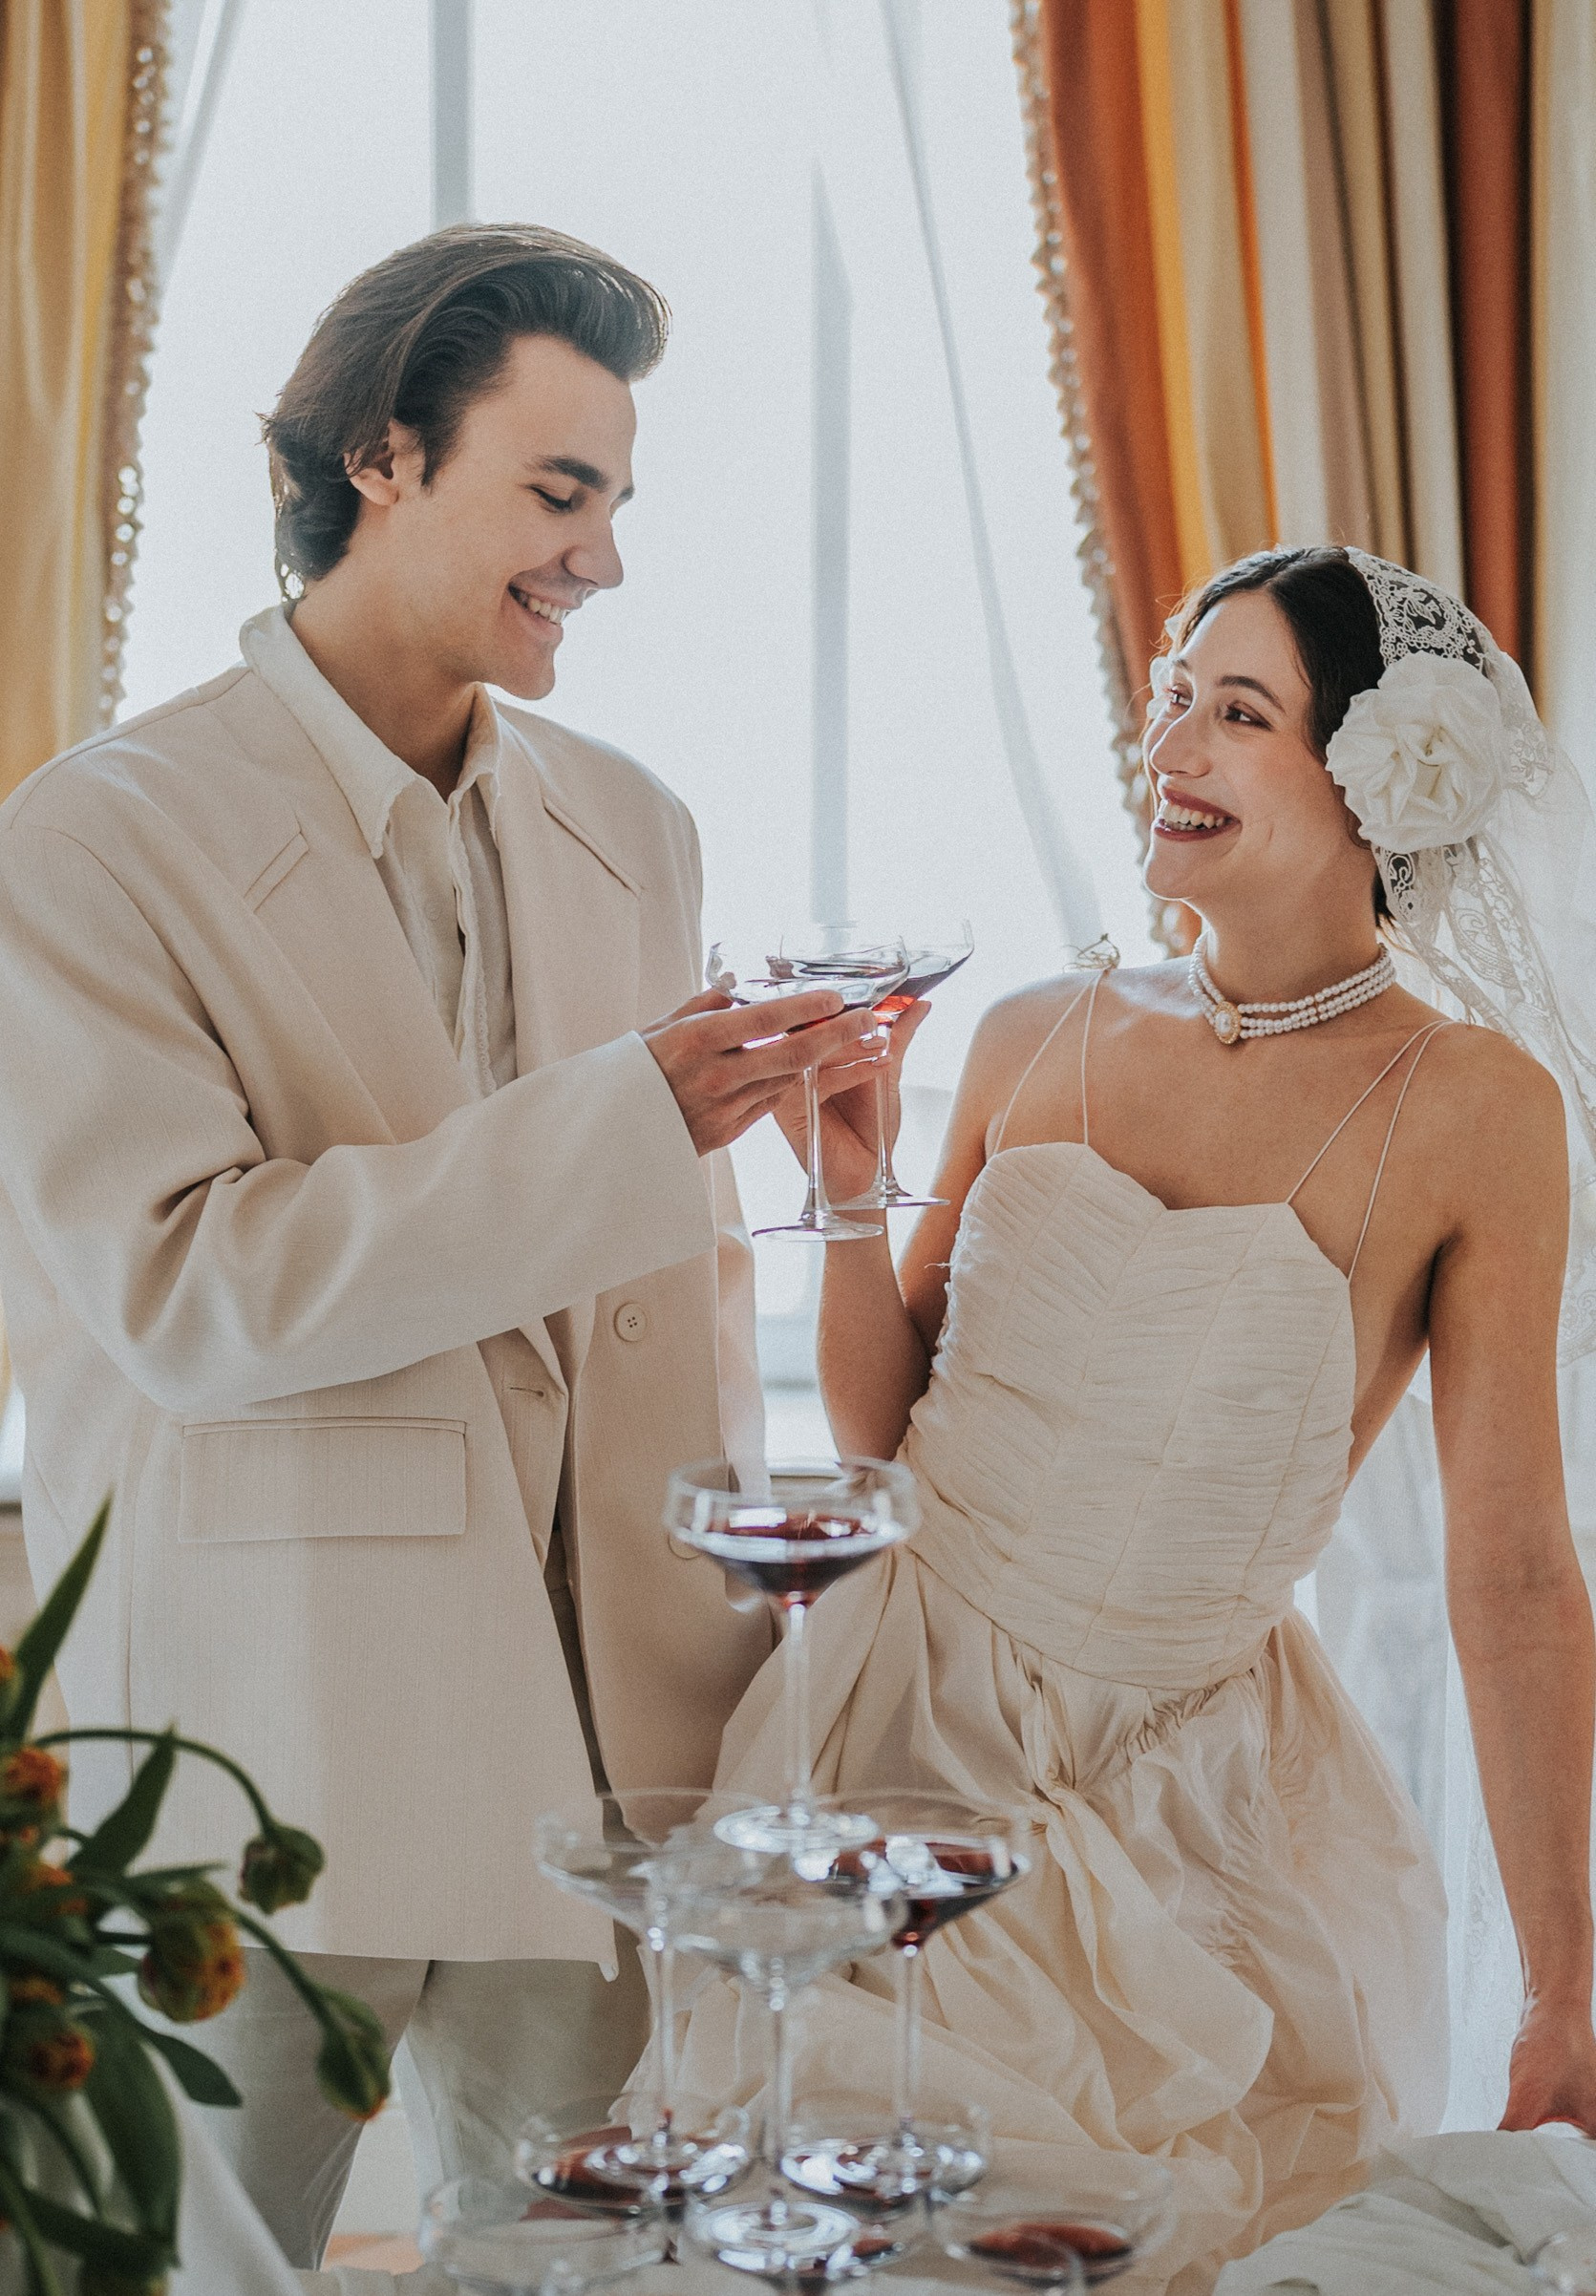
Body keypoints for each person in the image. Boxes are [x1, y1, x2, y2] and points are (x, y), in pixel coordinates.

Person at [0, 224, 884, 2267]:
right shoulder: (93, 840)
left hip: (614, 1750)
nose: (602, 558)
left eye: (616, 503)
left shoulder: (637, 826)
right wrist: (634, 1116)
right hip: (274, 1736)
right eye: (560, 492)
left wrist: (733, 1646)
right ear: (383, 455)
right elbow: (193, 1292)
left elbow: (675, 1302)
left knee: (597, 2260)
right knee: (192, 2263)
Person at [674, 547, 1596, 2290]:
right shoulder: (1037, 1028)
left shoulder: (1476, 1109)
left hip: (1186, 1804)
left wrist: (1562, 1984)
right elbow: (887, 1433)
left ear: (1378, 781)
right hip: (888, 1722)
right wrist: (853, 1197)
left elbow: (1517, 1573)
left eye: (1237, 712)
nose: (1169, 744)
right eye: (1173, 695)